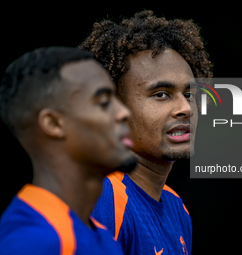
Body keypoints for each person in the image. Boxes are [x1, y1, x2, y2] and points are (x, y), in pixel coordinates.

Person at [79, 10, 213, 254]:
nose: (185, 108)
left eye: (190, 94)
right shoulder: (103, 199)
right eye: (161, 94)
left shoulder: (177, 208)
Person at [0, 46, 137, 254]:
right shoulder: (32, 241)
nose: (124, 113)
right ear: (54, 124)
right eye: (104, 102)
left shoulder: (103, 237)